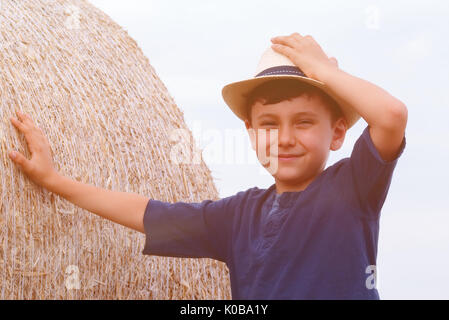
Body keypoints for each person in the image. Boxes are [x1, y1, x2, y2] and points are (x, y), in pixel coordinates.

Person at [8, 33, 407, 299]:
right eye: (269, 124)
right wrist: (54, 180)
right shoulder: (237, 217)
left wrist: (325, 73)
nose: (284, 138)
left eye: (303, 122)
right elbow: (148, 213)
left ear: (337, 134)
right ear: (251, 132)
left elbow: (390, 116)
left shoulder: (352, 189)